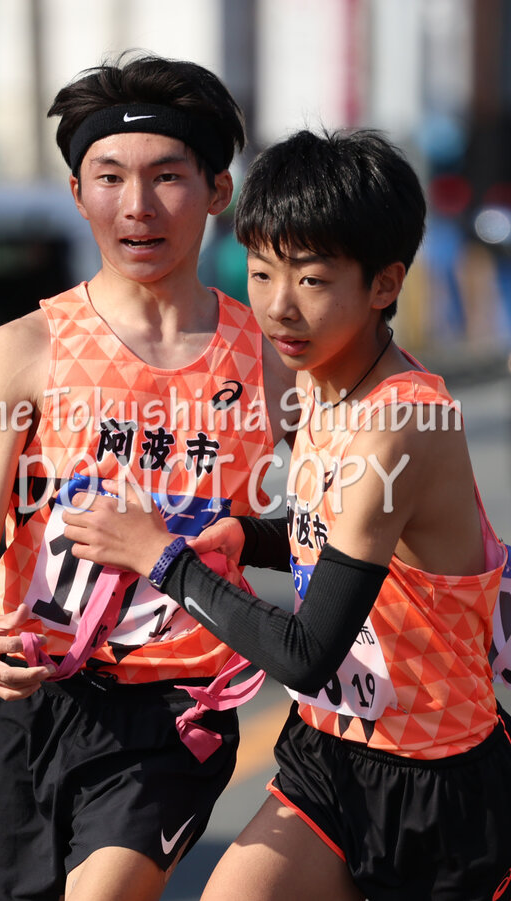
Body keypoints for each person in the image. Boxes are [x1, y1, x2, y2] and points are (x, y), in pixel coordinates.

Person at [62, 128, 511, 901]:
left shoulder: (402, 423)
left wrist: (160, 556)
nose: (277, 306)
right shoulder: (317, 376)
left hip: (440, 785)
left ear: (384, 283)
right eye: (262, 271)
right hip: (328, 756)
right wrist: (251, 536)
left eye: (311, 279)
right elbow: (340, 539)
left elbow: (306, 655)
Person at [0, 51, 295, 901]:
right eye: (109, 177)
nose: (137, 205)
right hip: (23, 692)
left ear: (218, 190)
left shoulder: (271, 361)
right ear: (77, 192)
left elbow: (333, 528)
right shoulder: (21, 351)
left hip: (174, 707)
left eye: (167, 176)